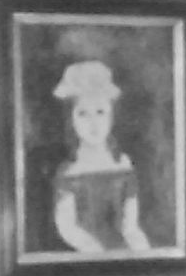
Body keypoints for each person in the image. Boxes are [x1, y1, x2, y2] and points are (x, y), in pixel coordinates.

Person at [50, 59, 149, 252]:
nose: (93, 123)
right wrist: (96, 253)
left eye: (100, 112)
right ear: (71, 119)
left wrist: (143, 252)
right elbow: (68, 228)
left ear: (112, 115)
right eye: (83, 114)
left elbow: (130, 226)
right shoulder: (69, 171)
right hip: (86, 255)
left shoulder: (123, 163)